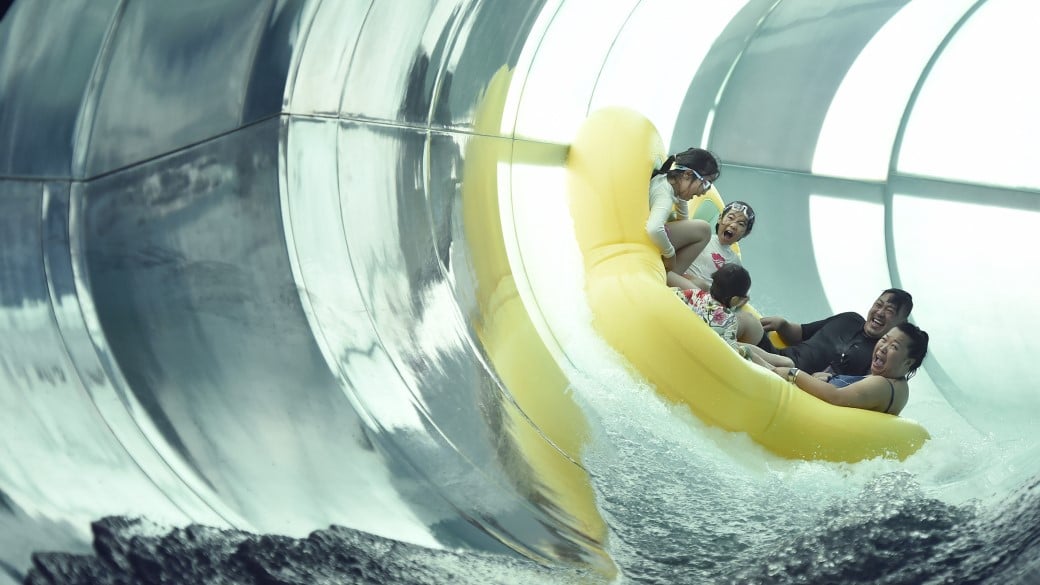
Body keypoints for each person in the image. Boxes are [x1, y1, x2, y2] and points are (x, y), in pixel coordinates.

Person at [773, 322, 929, 415]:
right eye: (884, 340)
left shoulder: (883, 384)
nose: (883, 348)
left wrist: (794, 374)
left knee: (785, 366)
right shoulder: (895, 382)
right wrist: (831, 379)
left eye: (894, 347)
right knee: (782, 363)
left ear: (908, 363)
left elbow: (836, 397)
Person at [755, 288, 914, 376]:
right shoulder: (849, 319)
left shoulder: (880, 356)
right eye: (878, 305)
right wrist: (782, 325)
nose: (880, 312)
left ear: (901, 323)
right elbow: (802, 333)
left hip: (795, 381)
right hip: (778, 357)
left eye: (890, 311)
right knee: (749, 322)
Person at [673, 264, 794, 370]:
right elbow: (731, 351)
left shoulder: (693, 294)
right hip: (712, 350)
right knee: (783, 361)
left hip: (691, 337)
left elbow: (673, 296)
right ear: (735, 300)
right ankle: (775, 367)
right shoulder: (729, 320)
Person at [647, 148, 717, 288]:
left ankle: (673, 275)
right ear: (687, 174)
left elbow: (684, 222)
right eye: (706, 183)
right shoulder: (664, 193)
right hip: (648, 240)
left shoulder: (672, 186)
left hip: (653, 242)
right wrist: (670, 255)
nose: (704, 191)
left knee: (703, 285)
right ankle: (668, 275)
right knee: (703, 230)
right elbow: (653, 229)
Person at [683, 200, 756, 291]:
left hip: (704, 299)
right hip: (680, 283)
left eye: (741, 224)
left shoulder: (735, 263)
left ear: (745, 233)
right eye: (730, 218)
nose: (733, 225)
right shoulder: (702, 237)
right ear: (720, 218)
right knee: (701, 284)